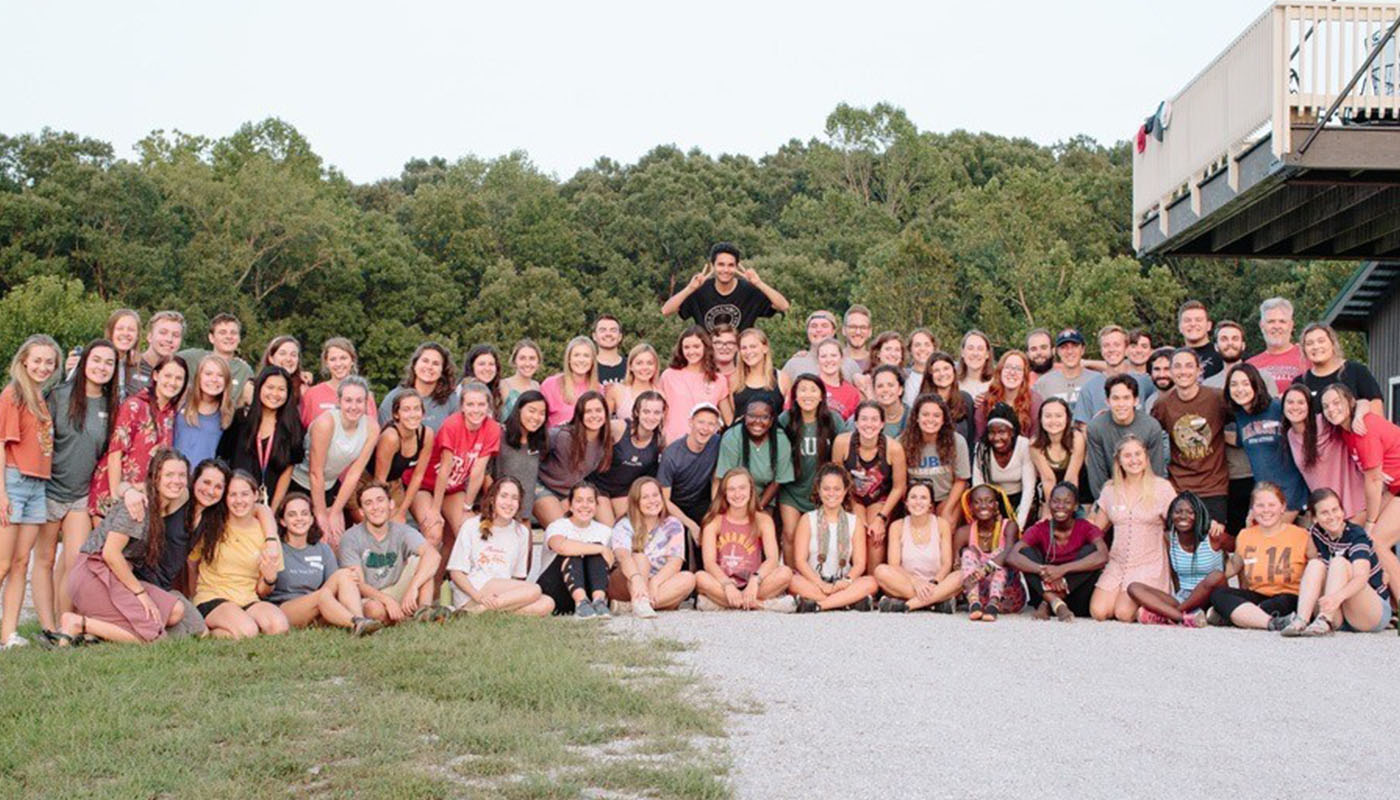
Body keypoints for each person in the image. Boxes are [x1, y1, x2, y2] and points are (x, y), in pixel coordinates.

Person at [56, 449, 192, 645]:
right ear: (155, 477)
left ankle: (99, 631)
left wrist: (126, 489)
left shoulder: (177, 497)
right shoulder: (138, 506)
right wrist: (140, 594)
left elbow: (125, 486)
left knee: (176, 610)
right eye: (169, 475)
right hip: (94, 573)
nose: (176, 481)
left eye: (181, 475)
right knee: (154, 637)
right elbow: (111, 554)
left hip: (117, 575)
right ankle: (77, 623)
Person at [40, 339, 118, 631]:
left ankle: (64, 628)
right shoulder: (59, 396)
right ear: (85, 361)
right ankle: (47, 626)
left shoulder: (111, 404)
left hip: (81, 496)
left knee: (74, 562)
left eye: (109, 363)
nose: (101, 367)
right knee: (45, 560)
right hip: (48, 490)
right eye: (96, 360)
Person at [0, 335, 61, 649]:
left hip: (39, 485)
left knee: (22, 563)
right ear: (24, 360)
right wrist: (2, 493)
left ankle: (7, 634)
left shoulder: (41, 397)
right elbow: (1, 444)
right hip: (13, 482)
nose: (42, 366)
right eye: (37, 360)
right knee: (3, 563)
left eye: (49, 362)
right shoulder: (13, 395)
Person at [1085, 436, 1179, 622]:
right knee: (1099, 612)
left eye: (1138, 454)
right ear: (1119, 460)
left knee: (1123, 613)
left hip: (1148, 562)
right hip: (1117, 562)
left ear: (1146, 457)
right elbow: (1096, 529)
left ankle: (1156, 609)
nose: (1134, 460)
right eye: (1127, 456)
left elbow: (1179, 523)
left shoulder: (1162, 488)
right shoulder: (1110, 490)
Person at [1321, 382, 1400, 599]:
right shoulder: (1347, 428)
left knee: (1378, 540)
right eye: (1326, 406)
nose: (1331, 409)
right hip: (1395, 487)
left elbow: (1373, 480)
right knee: (1360, 530)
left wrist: (1371, 522)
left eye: (1337, 403)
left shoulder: (1363, 429)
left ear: (1349, 402)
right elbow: (1363, 402)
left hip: (1394, 488)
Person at [190, 470, 290, 639]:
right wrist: (192, 596)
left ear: (255, 495)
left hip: (248, 598)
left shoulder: (267, 534)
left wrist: (269, 579)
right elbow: (191, 563)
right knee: (247, 631)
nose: (239, 501)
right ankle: (213, 627)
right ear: (225, 498)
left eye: (245, 494)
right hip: (213, 596)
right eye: (232, 495)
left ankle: (220, 631)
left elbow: (263, 591)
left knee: (279, 626)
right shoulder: (212, 524)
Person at [268, 492, 382, 636]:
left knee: (344, 574)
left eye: (304, 513)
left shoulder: (322, 549)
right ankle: (355, 622)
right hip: (286, 607)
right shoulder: (275, 548)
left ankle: (361, 622)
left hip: (319, 604)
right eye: (292, 514)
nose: (299, 518)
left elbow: (336, 585)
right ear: (283, 521)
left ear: (311, 519)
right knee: (321, 595)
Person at [1281, 488, 1391, 636]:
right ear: (1315, 518)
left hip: (1370, 611)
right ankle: (1302, 620)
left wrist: (1336, 598)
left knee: (1339, 562)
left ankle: (1325, 619)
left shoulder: (1356, 535)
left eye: (1335, 510)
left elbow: (1361, 577)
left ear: (1342, 511)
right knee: (1315, 564)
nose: (1332, 516)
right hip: (1339, 612)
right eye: (1325, 513)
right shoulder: (1316, 532)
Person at [89, 354, 188, 518]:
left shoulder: (170, 413)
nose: (172, 382)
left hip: (142, 495)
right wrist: (116, 497)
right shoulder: (135, 405)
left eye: (179, 378)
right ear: (156, 375)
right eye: (168, 376)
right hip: (116, 490)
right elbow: (115, 453)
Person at [289, 376, 378, 546]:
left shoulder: (371, 427)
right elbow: (316, 473)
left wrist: (335, 511)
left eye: (359, 401)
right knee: (318, 536)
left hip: (329, 485)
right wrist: (321, 514)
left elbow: (354, 473)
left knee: (336, 541)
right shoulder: (326, 423)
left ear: (366, 402)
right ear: (339, 401)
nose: (353, 406)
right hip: (299, 483)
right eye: (348, 400)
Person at [446, 477, 554, 617]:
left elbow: (517, 577)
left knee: (547, 603)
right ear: (492, 499)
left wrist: (509, 600)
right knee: (535, 590)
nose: (509, 503)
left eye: (514, 498)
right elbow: (456, 573)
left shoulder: (522, 532)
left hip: (501, 594)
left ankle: (478, 613)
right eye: (504, 496)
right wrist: (478, 597)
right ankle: (475, 609)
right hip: (474, 590)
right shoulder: (471, 525)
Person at [339, 481, 443, 624]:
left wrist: (413, 588)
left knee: (424, 562)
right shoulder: (351, 537)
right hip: (371, 596)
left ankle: (424, 612)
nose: (375, 507)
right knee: (375, 611)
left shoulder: (402, 531)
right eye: (368, 503)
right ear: (361, 511)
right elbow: (359, 585)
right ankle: (404, 618)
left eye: (380, 500)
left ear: (391, 504)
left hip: (397, 588)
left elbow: (434, 556)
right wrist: (386, 601)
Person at [413, 382, 501, 550]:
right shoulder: (452, 425)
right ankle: (421, 575)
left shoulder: (492, 428)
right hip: (426, 484)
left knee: (467, 529)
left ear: (488, 406)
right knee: (434, 532)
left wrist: (467, 506)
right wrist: (435, 510)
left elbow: (478, 471)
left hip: (453, 487)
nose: (476, 410)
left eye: (481, 404)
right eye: (470, 404)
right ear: (462, 406)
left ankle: (445, 576)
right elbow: (445, 469)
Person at [1208, 483, 1308, 630]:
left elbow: (1317, 568)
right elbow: (1234, 566)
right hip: (1257, 594)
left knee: (1278, 603)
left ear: (1283, 507)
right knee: (1219, 594)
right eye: (1260, 505)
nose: (1266, 510)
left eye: (1271, 505)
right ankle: (1271, 622)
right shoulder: (1245, 535)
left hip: (1288, 595)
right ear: (1252, 510)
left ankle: (1239, 616)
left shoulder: (1301, 535)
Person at [694, 468, 795, 611]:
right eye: (732, 489)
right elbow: (709, 563)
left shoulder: (763, 520)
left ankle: (721, 604)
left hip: (755, 583)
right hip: (724, 583)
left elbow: (772, 559)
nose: (737, 494)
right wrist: (727, 584)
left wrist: (755, 580)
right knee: (699, 578)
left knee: (785, 573)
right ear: (724, 493)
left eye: (742, 488)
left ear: (751, 491)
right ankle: (761, 605)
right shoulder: (714, 521)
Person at [1005, 482, 1109, 621]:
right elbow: (1012, 556)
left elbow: (1103, 556)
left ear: (1076, 506)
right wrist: (1042, 570)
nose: (1060, 506)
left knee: (1091, 551)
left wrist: (1062, 570)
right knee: (1026, 552)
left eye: (1067, 502)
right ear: (1049, 504)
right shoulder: (1040, 528)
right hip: (1043, 591)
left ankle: (1049, 603)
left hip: (1078, 599)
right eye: (1056, 501)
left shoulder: (1085, 527)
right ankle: (1055, 602)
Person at [1150, 348, 1229, 524]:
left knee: (1214, 541)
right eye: (1177, 366)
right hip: (1178, 486)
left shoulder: (1217, 398)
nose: (1183, 371)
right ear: (1170, 371)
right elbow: (1147, 433)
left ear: (1199, 370)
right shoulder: (1162, 404)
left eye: (1188, 366)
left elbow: (1242, 415)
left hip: (1213, 486)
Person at [1203, 322, 1268, 535]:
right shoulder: (1209, 385)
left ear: (1243, 344)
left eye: (1234, 338)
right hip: (1229, 474)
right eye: (1224, 339)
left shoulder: (1263, 378)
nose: (1229, 343)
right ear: (1216, 345)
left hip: (1261, 471)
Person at [1124, 491, 1225, 627]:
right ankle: (1182, 618)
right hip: (1184, 597)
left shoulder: (1213, 536)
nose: (1183, 516)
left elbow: (1240, 547)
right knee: (1134, 587)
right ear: (1171, 514)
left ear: (1199, 514)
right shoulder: (1169, 538)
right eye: (1178, 512)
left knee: (1216, 576)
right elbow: (1174, 574)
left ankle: (1170, 615)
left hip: (1211, 596)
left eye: (1190, 512)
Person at [789, 465, 878, 612]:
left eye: (837, 489)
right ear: (819, 490)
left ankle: (820, 605)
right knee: (792, 580)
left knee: (871, 582)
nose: (832, 494)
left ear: (845, 491)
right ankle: (846, 601)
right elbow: (800, 561)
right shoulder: (807, 519)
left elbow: (860, 563)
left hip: (843, 583)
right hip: (814, 581)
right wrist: (821, 584)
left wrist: (846, 581)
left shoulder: (854, 521)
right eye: (826, 489)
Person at [1224, 363, 1308, 520]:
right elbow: (1242, 440)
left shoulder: (1278, 408)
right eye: (1234, 384)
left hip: (1292, 493)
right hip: (1264, 496)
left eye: (1245, 383)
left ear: (1256, 384)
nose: (1240, 389)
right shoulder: (1240, 416)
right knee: (1250, 535)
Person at [777, 375, 846, 563]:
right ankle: (790, 578)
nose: (808, 395)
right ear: (795, 396)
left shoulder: (833, 420)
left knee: (819, 538)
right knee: (790, 534)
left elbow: (847, 448)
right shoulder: (786, 419)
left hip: (823, 491)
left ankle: (818, 575)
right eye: (803, 390)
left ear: (822, 395)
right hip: (792, 490)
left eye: (813, 390)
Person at [606, 477, 695, 616]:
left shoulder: (673, 524)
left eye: (655, 495)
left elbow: (675, 562)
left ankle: (633, 605)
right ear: (636, 502)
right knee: (641, 559)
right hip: (627, 580)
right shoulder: (624, 524)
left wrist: (654, 583)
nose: (652, 501)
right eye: (645, 497)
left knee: (689, 578)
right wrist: (637, 580)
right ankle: (654, 602)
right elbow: (623, 557)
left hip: (658, 582)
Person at [832, 401, 907, 567]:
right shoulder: (842, 443)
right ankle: (855, 579)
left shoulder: (894, 448)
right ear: (856, 423)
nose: (869, 424)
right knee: (857, 529)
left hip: (880, 499)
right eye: (864, 419)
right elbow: (837, 480)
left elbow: (899, 487)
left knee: (874, 534)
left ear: (882, 424)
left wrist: (881, 518)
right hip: (852, 497)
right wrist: (852, 508)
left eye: (874, 420)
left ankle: (873, 584)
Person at [218, 366, 303, 509]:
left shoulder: (292, 426)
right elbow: (225, 458)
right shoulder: (240, 418)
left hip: (268, 504)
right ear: (259, 388)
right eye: (270, 387)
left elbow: (287, 472)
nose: (275, 394)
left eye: (281, 389)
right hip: (235, 501)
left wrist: (273, 509)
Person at [873, 481, 963, 612]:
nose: (918, 502)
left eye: (923, 498)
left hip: (936, 583)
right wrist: (916, 583)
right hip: (908, 583)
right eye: (913, 497)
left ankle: (908, 605)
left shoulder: (941, 524)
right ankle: (936, 602)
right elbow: (894, 565)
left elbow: (946, 564)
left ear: (930, 505)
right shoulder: (897, 526)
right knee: (880, 571)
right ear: (906, 503)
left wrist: (933, 583)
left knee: (962, 575)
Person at [660, 242, 789, 332]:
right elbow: (666, 311)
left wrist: (759, 283)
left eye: (731, 265)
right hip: (708, 361)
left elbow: (783, 306)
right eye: (721, 264)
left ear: (737, 266)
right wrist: (690, 289)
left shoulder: (749, 290)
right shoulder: (699, 290)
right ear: (713, 265)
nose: (725, 270)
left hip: (740, 361)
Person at [1281, 384, 1365, 520]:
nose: (1295, 407)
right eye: (1290, 402)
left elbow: (1362, 402)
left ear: (1309, 406)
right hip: (1327, 511)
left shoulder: (1324, 422)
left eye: (1301, 402)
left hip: (1355, 503)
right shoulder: (1290, 434)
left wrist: (1358, 417)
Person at [533, 391, 612, 529]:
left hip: (571, 492)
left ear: (606, 413)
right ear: (580, 415)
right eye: (588, 411)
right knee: (563, 530)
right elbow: (532, 452)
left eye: (598, 410)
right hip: (543, 487)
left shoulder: (604, 442)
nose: (594, 415)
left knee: (608, 525)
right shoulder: (563, 436)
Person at [658, 403, 723, 564]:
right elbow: (664, 500)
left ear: (716, 428)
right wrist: (691, 525)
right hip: (674, 504)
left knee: (710, 526)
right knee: (679, 531)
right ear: (691, 423)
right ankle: (682, 579)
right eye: (701, 422)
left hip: (700, 501)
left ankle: (707, 575)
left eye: (711, 424)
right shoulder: (672, 454)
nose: (705, 428)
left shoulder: (717, 443)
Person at [537, 482, 614, 618]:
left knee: (593, 552)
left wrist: (600, 551)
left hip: (590, 588)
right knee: (574, 550)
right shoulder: (558, 526)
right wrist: (600, 548)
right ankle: (581, 602)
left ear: (596, 505)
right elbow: (561, 546)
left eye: (590, 501)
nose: (585, 505)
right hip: (557, 591)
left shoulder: (605, 531)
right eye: (579, 501)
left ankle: (599, 602)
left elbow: (609, 563)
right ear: (570, 505)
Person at [591, 390, 666, 524]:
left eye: (656, 413)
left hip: (624, 491)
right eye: (646, 412)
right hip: (599, 486)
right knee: (610, 529)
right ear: (637, 412)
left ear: (662, 415)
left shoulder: (661, 440)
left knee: (629, 527)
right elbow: (589, 433)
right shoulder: (618, 428)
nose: (651, 417)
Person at [956, 484, 1026, 621]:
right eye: (977, 502)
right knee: (968, 553)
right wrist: (963, 566)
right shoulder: (963, 532)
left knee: (1000, 554)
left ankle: (993, 604)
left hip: (1008, 597)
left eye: (988, 501)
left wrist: (985, 569)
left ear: (996, 505)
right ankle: (974, 604)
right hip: (979, 596)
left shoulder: (1009, 526)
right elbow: (955, 564)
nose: (983, 506)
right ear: (970, 507)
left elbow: (1009, 553)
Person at [900, 394, 970, 528]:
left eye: (936, 415)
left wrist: (947, 509)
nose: (930, 420)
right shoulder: (902, 442)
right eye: (925, 414)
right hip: (916, 498)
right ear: (916, 418)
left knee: (945, 525)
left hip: (945, 496)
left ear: (943, 420)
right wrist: (912, 506)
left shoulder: (957, 441)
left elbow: (961, 480)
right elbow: (900, 482)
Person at [715, 398, 793, 514]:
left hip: (763, 499)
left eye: (764, 417)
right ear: (744, 417)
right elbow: (723, 478)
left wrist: (756, 509)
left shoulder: (780, 440)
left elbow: (777, 482)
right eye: (752, 416)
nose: (757, 421)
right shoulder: (732, 437)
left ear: (772, 421)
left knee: (762, 526)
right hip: (731, 497)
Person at [1292, 322, 1383, 421]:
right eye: (1309, 343)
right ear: (1304, 349)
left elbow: (1376, 407)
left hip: (1356, 435)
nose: (1316, 346)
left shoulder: (1356, 371)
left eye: (1321, 341)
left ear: (1333, 343)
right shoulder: (1300, 383)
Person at [658, 326, 732, 442]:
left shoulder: (719, 380)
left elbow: (729, 420)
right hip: (672, 443)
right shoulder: (669, 375)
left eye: (696, 346)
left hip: (705, 445)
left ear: (705, 347)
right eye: (686, 347)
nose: (691, 351)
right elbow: (658, 411)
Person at [371, 391, 434, 524]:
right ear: (396, 414)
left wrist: (402, 511)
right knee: (382, 524)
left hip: (394, 483)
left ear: (423, 413)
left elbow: (417, 476)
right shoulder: (391, 437)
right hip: (369, 482)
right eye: (406, 410)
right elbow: (379, 480)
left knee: (399, 524)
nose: (412, 414)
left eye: (416, 409)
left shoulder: (426, 435)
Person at [971, 404, 1035, 529]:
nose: (996, 438)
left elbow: (1029, 489)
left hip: (1020, 501)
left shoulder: (1023, 446)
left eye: (1001, 432)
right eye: (992, 433)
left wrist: (1018, 526)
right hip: (992, 503)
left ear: (1011, 432)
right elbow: (978, 486)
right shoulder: (982, 449)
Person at [1074, 325, 1154, 424]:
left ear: (1126, 349)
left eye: (1117, 344)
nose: (1111, 349)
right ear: (1101, 350)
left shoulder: (1144, 383)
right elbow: (1081, 427)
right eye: (1106, 345)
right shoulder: (1089, 388)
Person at [177, 313, 254, 409]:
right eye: (222, 332)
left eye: (233, 333)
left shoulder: (244, 370)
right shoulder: (192, 357)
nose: (229, 337)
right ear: (211, 338)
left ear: (239, 338)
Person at [493, 390, 547, 524]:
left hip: (522, 516)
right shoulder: (500, 434)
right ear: (519, 410)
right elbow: (486, 473)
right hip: (496, 512)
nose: (536, 417)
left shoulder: (539, 442)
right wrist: (492, 506)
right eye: (532, 411)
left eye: (542, 413)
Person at [377, 342, 459, 431]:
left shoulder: (452, 401)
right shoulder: (393, 399)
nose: (429, 367)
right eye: (425, 361)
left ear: (443, 370)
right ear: (415, 364)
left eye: (435, 363)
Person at [173, 355, 234, 470]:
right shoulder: (181, 400)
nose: (214, 379)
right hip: (175, 476)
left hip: (203, 481)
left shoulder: (229, 414)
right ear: (198, 377)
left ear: (226, 381)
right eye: (208, 374)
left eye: (220, 375)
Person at [1029, 397, 1087, 514]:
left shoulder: (1077, 438)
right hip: (1051, 497)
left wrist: (1068, 512)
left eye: (1058, 416)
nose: (1053, 421)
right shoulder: (1035, 444)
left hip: (1080, 495)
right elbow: (1048, 479)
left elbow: (1071, 478)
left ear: (1067, 418)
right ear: (1040, 419)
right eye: (1048, 416)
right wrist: (1053, 511)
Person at [300, 337, 374, 428]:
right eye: (333, 359)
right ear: (326, 363)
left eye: (343, 358)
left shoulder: (366, 396)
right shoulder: (312, 394)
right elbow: (303, 429)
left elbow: (372, 430)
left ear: (352, 361)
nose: (338, 364)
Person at [974, 350, 1040, 441]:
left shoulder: (1035, 401)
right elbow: (980, 439)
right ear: (1000, 371)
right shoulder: (985, 400)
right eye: (1008, 367)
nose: (1012, 372)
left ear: (1024, 376)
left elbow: (1036, 440)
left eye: (1018, 369)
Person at [1248, 297, 1308, 394]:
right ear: (1262, 325)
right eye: (1271, 321)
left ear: (1291, 325)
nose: (1276, 326)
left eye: (1282, 321)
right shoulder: (1250, 366)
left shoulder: (1307, 358)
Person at [540, 336, 603, 430]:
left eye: (586, 356)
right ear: (569, 359)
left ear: (593, 361)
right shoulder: (550, 385)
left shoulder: (599, 390)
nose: (581, 360)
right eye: (576, 355)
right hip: (556, 441)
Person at [916, 351, 976, 446]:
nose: (942, 374)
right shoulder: (921, 402)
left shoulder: (965, 399)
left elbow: (971, 439)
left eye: (946, 368)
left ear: (953, 370)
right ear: (930, 375)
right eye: (936, 370)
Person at [731, 328, 788, 422]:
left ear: (765, 348)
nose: (748, 352)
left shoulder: (782, 378)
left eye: (753, 346)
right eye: (744, 348)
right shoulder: (734, 380)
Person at [126, 311, 185, 398]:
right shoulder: (130, 363)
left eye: (176, 335)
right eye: (163, 333)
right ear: (149, 337)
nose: (169, 339)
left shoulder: (180, 376)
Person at [1033, 328, 1090, 407]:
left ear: (1083, 349)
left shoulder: (1096, 380)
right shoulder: (1043, 384)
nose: (1069, 351)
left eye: (1074, 346)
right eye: (1064, 347)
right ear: (1057, 351)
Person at [780, 310, 842, 381]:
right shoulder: (794, 364)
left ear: (833, 331)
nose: (818, 330)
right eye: (814, 326)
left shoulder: (848, 364)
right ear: (807, 331)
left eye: (824, 326)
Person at [606, 343, 660, 422]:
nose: (645, 367)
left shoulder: (661, 394)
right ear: (631, 366)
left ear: (655, 367)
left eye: (650, 363)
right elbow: (604, 423)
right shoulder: (617, 391)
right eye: (639, 363)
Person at [814, 337, 861, 421]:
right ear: (817, 360)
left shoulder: (852, 393)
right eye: (823, 356)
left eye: (834, 355)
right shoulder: (807, 385)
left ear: (842, 358)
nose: (828, 360)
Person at [253, 335, 307, 408]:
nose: (288, 359)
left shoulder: (303, 390)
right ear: (271, 358)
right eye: (282, 353)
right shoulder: (253, 387)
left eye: (293, 355)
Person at [499, 339, 542, 421]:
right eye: (522, 358)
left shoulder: (537, 387)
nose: (527, 363)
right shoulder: (503, 386)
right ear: (515, 361)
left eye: (532, 358)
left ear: (538, 363)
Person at [1178, 300, 1222, 379]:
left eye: (1198, 320)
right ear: (1180, 327)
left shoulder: (1221, 356)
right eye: (1187, 320)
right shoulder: (1174, 359)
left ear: (1209, 325)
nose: (1193, 324)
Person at [902, 328, 939, 407]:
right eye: (917, 345)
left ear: (934, 348)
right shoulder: (904, 376)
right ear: (910, 350)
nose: (922, 349)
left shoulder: (942, 375)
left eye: (927, 345)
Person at [461, 344, 502, 417]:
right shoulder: (464, 390)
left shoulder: (494, 390)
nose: (487, 368)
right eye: (482, 364)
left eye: (491, 364)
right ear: (471, 366)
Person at [870, 365, 907, 438]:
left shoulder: (914, 416)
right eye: (880, 386)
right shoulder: (864, 416)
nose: (885, 390)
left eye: (890, 385)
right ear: (874, 391)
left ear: (900, 389)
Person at [956, 330, 994, 398]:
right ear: (962, 352)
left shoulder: (995, 385)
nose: (975, 353)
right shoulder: (953, 384)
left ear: (987, 354)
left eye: (980, 349)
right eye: (970, 348)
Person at [592, 315, 627, 385]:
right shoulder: (588, 367)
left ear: (620, 336)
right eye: (603, 330)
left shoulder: (632, 366)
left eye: (613, 330)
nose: (608, 334)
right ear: (594, 336)